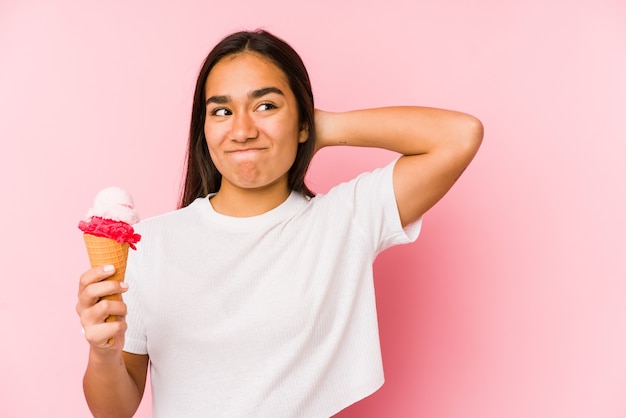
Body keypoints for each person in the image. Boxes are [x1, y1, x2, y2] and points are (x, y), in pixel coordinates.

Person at [76, 29, 483, 417]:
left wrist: (316, 127)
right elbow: (113, 412)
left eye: (266, 105)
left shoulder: (344, 221)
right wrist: (104, 352)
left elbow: (459, 135)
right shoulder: (149, 244)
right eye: (221, 110)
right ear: (204, 128)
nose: (241, 129)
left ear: (302, 120)